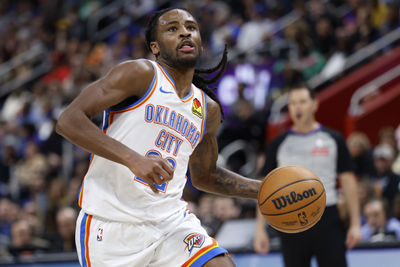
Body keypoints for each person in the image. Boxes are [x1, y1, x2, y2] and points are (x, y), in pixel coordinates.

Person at [56, 7, 261, 267]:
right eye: (172, 29)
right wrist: (133, 159)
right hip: (111, 224)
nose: (185, 33)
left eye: (191, 27)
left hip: (170, 221)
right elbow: (68, 120)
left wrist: (261, 189)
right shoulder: (141, 74)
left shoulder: (207, 109)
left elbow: (205, 175)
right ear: (155, 46)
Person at [253, 86, 362, 267]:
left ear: (315, 104)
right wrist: (259, 230)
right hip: (290, 219)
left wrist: (356, 224)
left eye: (302, 102)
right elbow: (264, 188)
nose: (297, 107)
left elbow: (349, 182)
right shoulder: (278, 144)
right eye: (293, 103)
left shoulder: (333, 139)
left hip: (327, 217)